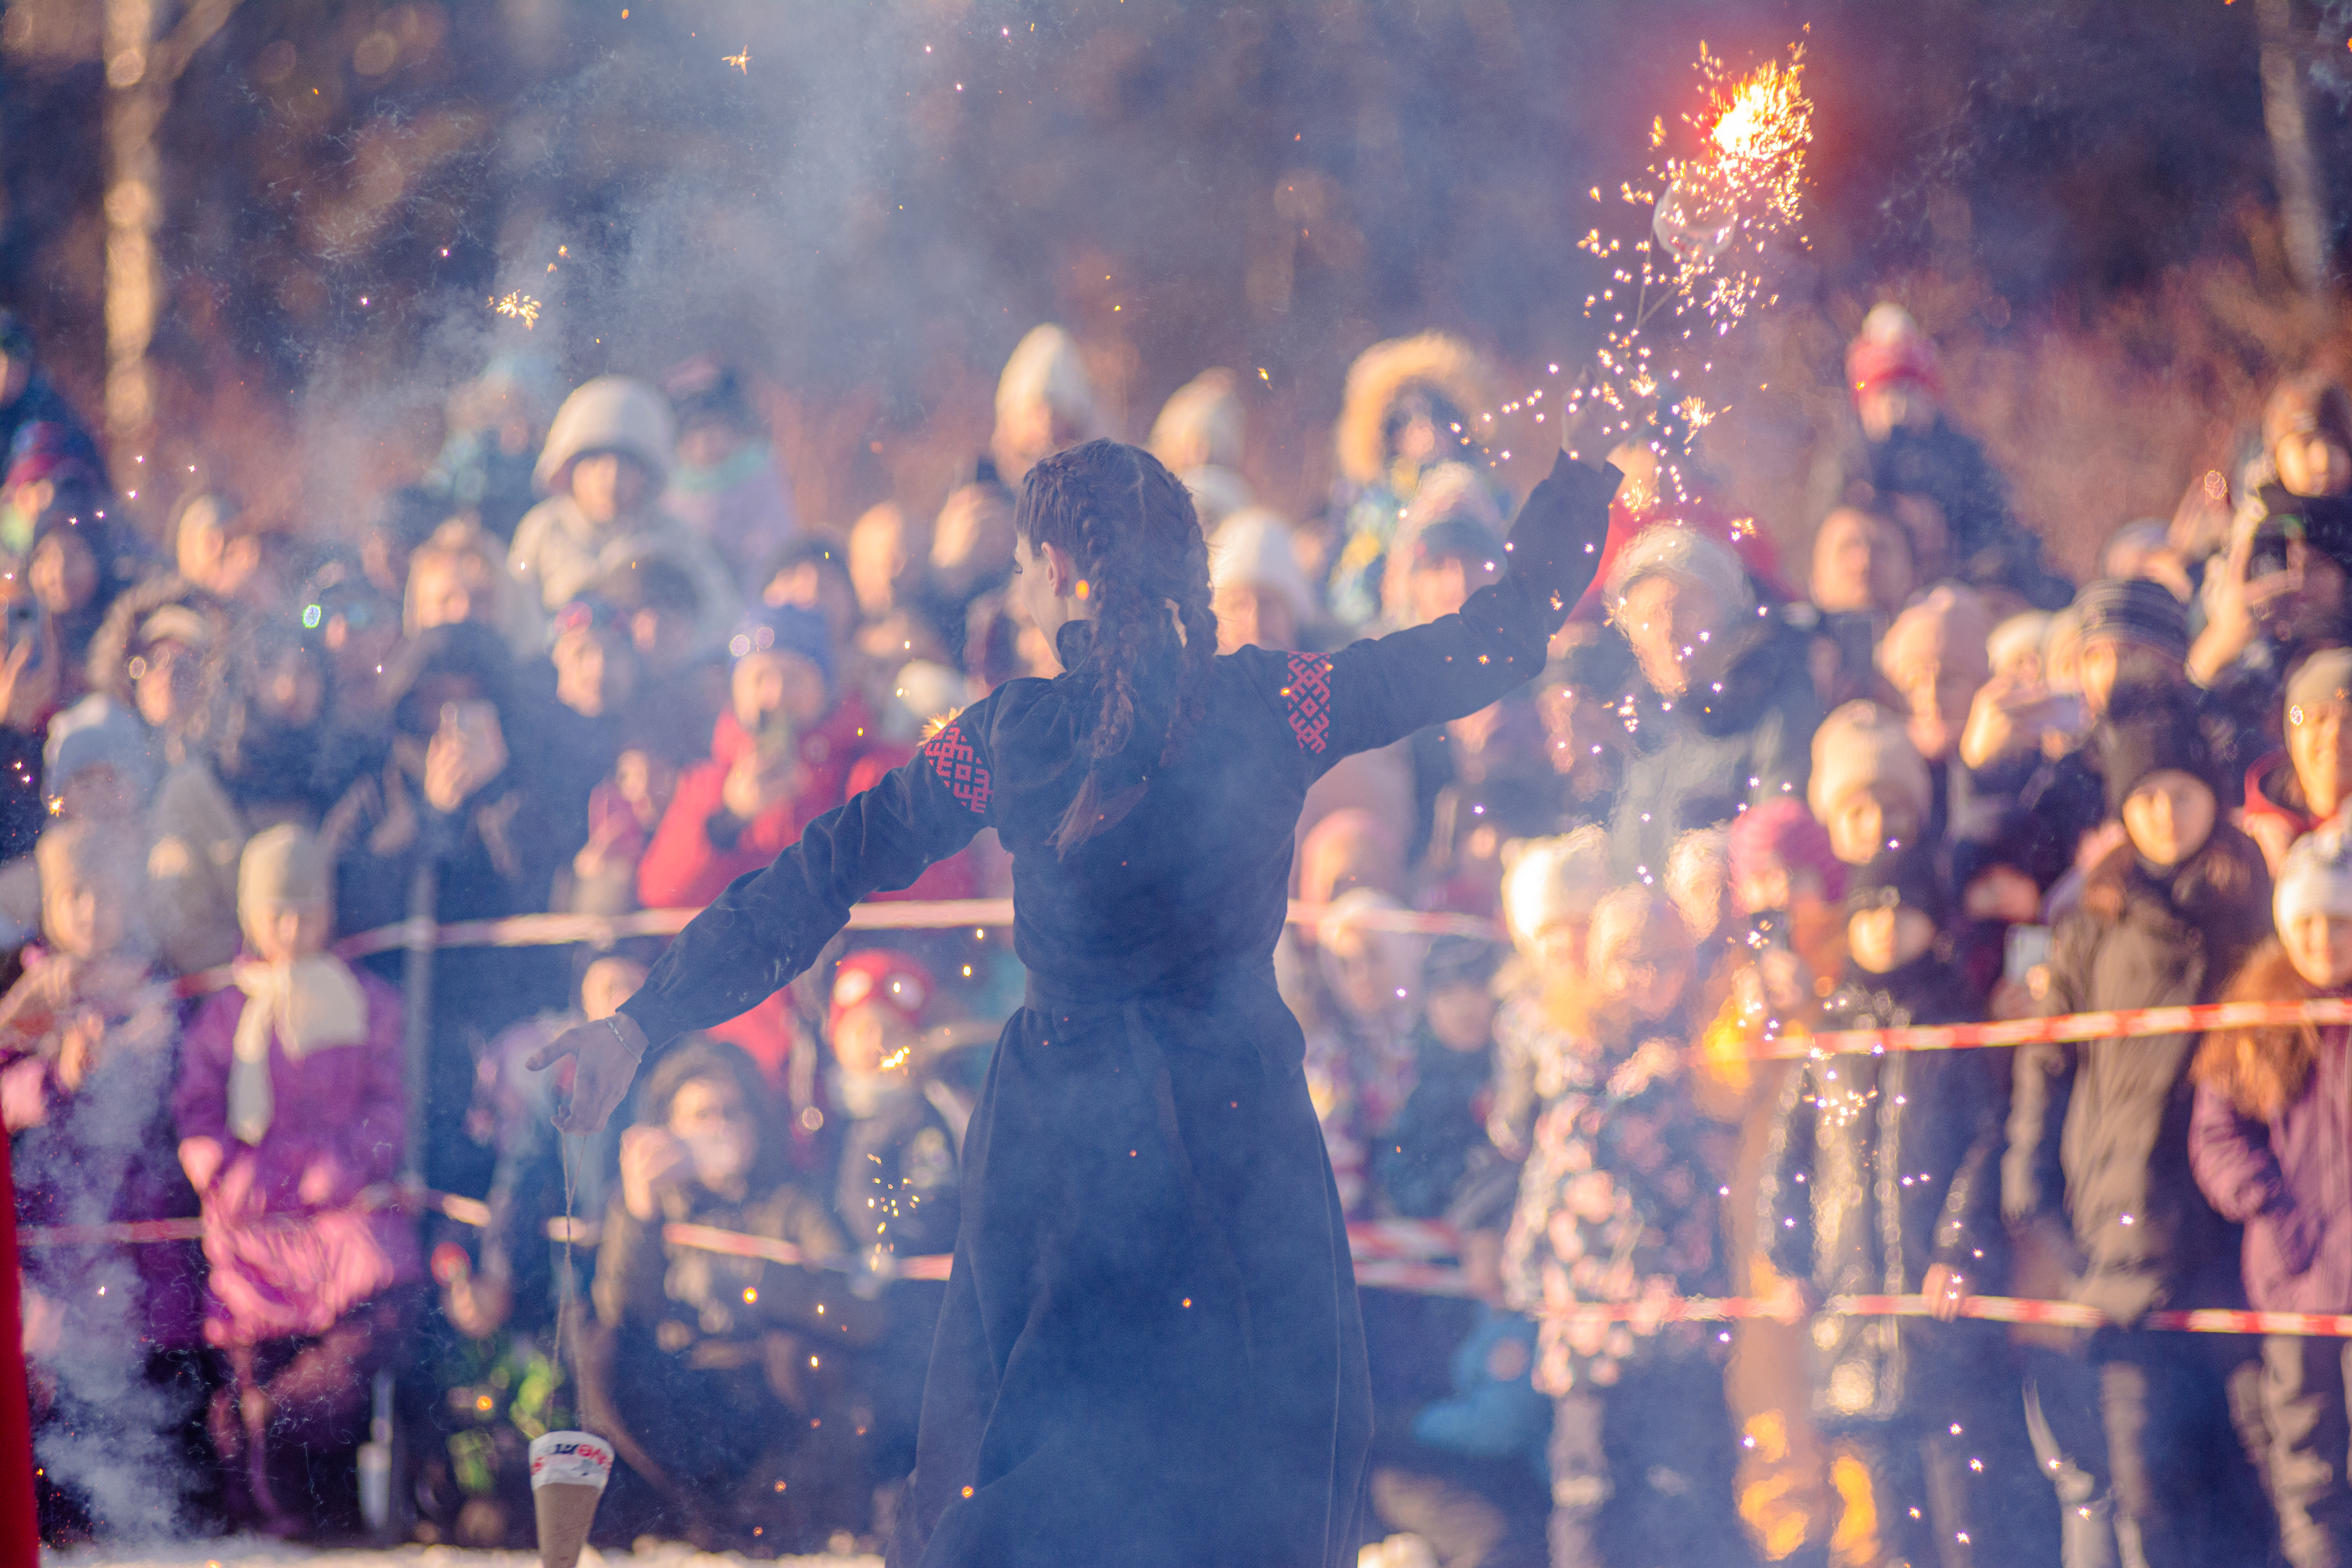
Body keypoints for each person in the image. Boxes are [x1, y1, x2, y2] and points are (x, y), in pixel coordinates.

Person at [528, 434, 1621, 1568]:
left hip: (1063, 1150)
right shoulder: (1279, 701)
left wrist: (640, 1021)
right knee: (1237, 1474)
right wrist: (1575, 504)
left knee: (1039, 1472)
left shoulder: (1012, 736)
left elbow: (819, 876)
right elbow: (1487, 645)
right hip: (1235, 1132)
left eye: (1022, 562)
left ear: (1059, 566)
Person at [2005, 688, 2275, 1568]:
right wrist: (2031, 1184)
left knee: (2255, 1478)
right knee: (2146, 1491)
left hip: (2231, 1240)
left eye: (2182, 794)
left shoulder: (2256, 914)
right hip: (2117, 1230)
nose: (2164, 815)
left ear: (2213, 798)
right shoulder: (2092, 924)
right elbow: (2049, 1067)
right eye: (2145, 797)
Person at [1755, 845, 2015, 1568]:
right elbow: (1791, 1155)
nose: (1884, 928)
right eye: (1869, 911)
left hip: (1940, 1316)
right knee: (1889, 1525)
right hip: (1854, 1313)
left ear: (1933, 923)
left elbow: (1987, 1141)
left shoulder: (1955, 1020)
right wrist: (1788, 1257)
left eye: (1902, 912)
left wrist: (1959, 1248)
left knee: (1966, 1520)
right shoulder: (1831, 1029)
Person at [172, 826, 421, 1537]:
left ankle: (320, 1494)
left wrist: (342, 1163)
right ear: (252, 915)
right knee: (256, 1366)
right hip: (251, 1215)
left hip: (338, 1209)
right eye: (277, 911)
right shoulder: (227, 1012)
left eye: (307, 909)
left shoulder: (365, 1002)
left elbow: (388, 1103)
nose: (293, 927)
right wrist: (225, 1170)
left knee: (339, 1365)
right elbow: (198, 1109)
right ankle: (270, 1506)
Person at [1499, 887, 1747, 1568]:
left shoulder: (1693, 1041)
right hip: (1589, 1312)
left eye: (1664, 964)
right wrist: (1647, 1086)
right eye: (1631, 964)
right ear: (1602, 966)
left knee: (1678, 1492)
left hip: (1673, 1309)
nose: (1648, 982)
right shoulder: (1574, 1038)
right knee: (1588, 1494)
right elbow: (1584, 1137)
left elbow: (1698, 1170)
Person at [575, 1036, 878, 1552]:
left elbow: (859, 1312)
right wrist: (642, 1212)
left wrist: (769, 1289)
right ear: (668, 1128)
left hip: (765, 1394)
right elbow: (620, 1313)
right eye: (701, 1115)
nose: (719, 1128)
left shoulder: (791, 1205)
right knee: (598, 1346)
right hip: (682, 1390)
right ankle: (694, 1510)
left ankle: (769, 1509)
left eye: (732, 1112)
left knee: (808, 1356)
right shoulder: (647, 1205)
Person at [2192, 822, 2352, 1568]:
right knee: (2308, 1472)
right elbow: (2216, 1135)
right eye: (2308, 924)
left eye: (2340, 923)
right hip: (2291, 1286)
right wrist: (2266, 1205)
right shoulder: (2257, 1019)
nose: (2322, 941)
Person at [1601, 522, 1819, 880]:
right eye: (1649, 617)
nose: (1668, 631)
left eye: (1685, 610)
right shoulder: (1638, 725)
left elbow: (1779, 851)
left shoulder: (1777, 709)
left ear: (1730, 618)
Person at [1844, 302, 2071, 609]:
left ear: (1931, 398)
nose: (1898, 408)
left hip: (1959, 593)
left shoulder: (1963, 458)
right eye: (1884, 394)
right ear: (1863, 405)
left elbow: (1998, 530)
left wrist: (1964, 558)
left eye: (1909, 392)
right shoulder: (1850, 465)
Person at [507, 375, 737, 652]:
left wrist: (680, 648)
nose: (612, 478)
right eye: (594, 462)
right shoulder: (544, 529)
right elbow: (516, 612)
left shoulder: (675, 536)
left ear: (649, 475)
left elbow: (722, 614)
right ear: (567, 468)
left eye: (627, 465)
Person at [661, 357, 798, 578]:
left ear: (736, 427)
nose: (705, 440)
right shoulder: (669, 485)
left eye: (716, 427)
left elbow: (775, 543)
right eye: (695, 430)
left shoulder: (760, 471)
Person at [2243, 647, 2352, 874]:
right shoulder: (2245, 842)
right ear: (2292, 735)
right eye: (2318, 719)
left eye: (2350, 720)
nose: (2334, 734)